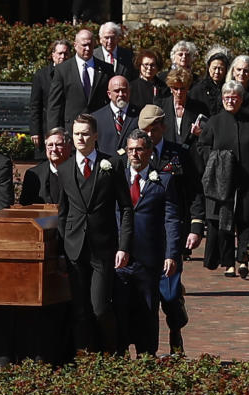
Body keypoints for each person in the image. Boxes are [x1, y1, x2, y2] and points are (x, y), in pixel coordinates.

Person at [52, 112, 133, 353]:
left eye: (85, 134)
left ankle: (111, 353)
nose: (80, 138)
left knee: (100, 307)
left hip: (103, 248)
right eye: (76, 134)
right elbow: (62, 212)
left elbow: (126, 208)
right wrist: (63, 247)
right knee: (79, 309)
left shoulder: (111, 164)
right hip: (74, 249)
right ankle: (83, 359)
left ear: (95, 136)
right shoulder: (64, 169)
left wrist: (124, 246)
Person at [132, 104, 204, 355]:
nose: (148, 135)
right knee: (147, 298)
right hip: (143, 237)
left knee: (170, 295)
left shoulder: (178, 154)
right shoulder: (132, 154)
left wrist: (196, 225)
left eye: (153, 129)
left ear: (163, 127)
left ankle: (176, 330)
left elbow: (194, 190)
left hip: (171, 233)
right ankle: (148, 349)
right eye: (144, 130)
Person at [113, 131, 183, 355]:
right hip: (120, 260)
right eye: (131, 149)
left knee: (147, 311)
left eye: (140, 149)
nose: (135, 154)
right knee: (120, 310)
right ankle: (121, 357)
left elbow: (171, 220)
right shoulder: (116, 178)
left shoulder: (163, 181)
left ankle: (147, 357)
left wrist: (171, 254)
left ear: (150, 152)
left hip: (148, 259)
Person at [196, 82, 249, 279]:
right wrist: (217, 159)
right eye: (227, 97)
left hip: (247, 180)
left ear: (241, 99)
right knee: (224, 222)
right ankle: (228, 263)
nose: (230, 100)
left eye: (234, 97)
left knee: (245, 222)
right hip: (222, 182)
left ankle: (243, 259)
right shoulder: (214, 122)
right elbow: (202, 147)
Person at [47, 27, 113, 132]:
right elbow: (55, 105)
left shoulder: (106, 69)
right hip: (72, 130)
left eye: (90, 45)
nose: (87, 48)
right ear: (75, 45)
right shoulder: (63, 70)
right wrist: (53, 132)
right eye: (84, 45)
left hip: (99, 128)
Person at [30, 39, 71, 149]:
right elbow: (35, 105)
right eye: (59, 53)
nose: (63, 56)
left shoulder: (74, 74)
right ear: (53, 55)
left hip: (68, 127)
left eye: (66, 53)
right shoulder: (41, 75)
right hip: (47, 127)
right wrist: (35, 131)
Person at [19, 128, 72, 205]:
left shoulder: (79, 171)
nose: (54, 149)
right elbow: (25, 206)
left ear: (69, 147)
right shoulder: (33, 175)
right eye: (50, 145)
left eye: (58, 145)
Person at [94, 74, 140, 154]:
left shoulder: (139, 114)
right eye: (116, 91)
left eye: (124, 90)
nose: (121, 94)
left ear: (129, 91)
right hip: (106, 163)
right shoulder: (96, 117)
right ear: (109, 94)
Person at [162, 66, 205, 146]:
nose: (179, 92)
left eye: (182, 88)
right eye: (176, 88)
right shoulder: (161, 106)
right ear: (170, 88)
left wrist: (200, 132)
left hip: (191, 153)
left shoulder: (199, 107)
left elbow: (207, 133)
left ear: (188, 87)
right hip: (168, 152)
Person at [188, 46, 231, 117]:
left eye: (220, 69)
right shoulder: (198, 89)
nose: (217, 72)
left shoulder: (230, 88)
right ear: (209, 68)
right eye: (214, 68)